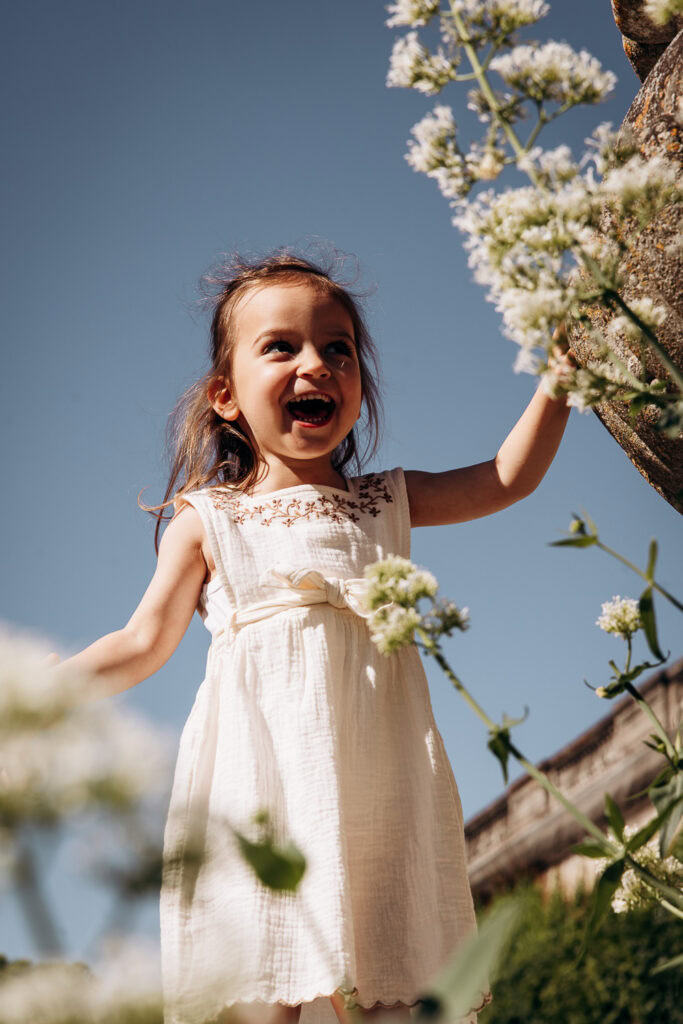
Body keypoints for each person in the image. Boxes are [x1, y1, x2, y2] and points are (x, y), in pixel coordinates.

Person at [55, 247, 575, 1024]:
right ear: (225, 395)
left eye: (339, 349)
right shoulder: (208, 519)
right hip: (256, 780)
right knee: (265, 983)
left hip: (377, 777)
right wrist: (30, 693)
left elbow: (506, 477)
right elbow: (141, 641)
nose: (316, 365)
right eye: (281, 346)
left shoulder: (387, 499)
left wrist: (561, 376)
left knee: (383, 968)